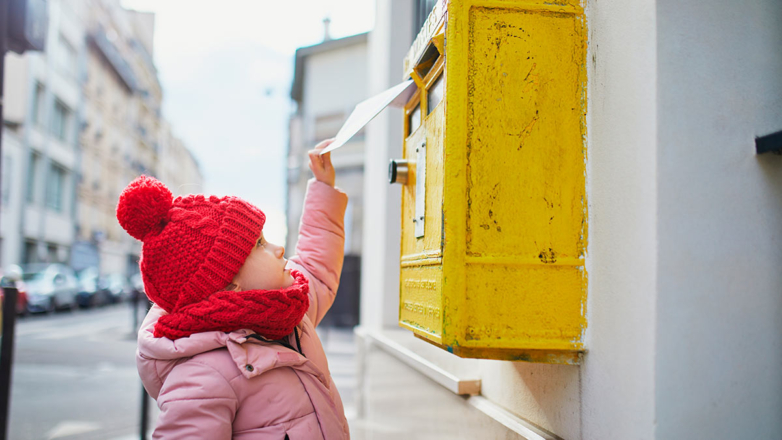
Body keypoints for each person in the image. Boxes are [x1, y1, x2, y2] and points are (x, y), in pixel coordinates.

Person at [116, 140, 350, 439]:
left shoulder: (289, 310)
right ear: (227, 282)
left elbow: (317, 265)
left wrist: (323, 187)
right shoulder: (202, 378)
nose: (279, 250)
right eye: (259, 245)